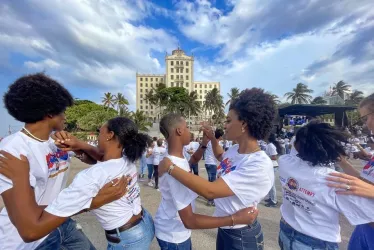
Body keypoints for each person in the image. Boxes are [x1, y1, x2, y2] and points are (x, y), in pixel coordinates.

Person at [0, 73, 126, 250]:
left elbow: (95, 159)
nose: (66, 115)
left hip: (60, 222)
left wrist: (77, 146)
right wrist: (93, 201)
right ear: (50, 112)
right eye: (63, 110)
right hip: (27, 241)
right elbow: (28, 229)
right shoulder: (13, 150)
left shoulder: (54, 142)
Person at [0, 117, 155, 249]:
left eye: (99, 132)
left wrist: (92, 202)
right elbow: (100, 157)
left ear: (109, 135)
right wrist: (79, 144)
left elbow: (31, 230)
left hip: (126, 237)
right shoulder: (126, 159)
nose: (66, 116)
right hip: (143, 222)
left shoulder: (90, 177)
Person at [158, 88, 276, 250]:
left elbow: (210, 191)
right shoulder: (235, 150)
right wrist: (212, 140)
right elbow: (223, 157)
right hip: (228, 229)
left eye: (228, 121)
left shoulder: (259, 164)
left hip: (241, 233)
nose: (224, 125)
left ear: (243, 124)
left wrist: (170, 167)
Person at [154, 113, 258, 250]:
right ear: (179, 131)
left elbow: (191, 162)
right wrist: (235, 219)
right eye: (187, 127)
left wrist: (204, 143)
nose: (190, 131)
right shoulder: (173, 168)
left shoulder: (174, 159)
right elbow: (189, 220)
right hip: (174, 236)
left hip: (173, 229)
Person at [278, 120, 374, 250]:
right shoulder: (334, 180)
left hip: (286, 231)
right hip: (315, 242)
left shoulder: (284, 162)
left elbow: (296, 143)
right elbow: (370, 218)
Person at [324, 93, 374, 250]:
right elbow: (365, 184)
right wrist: (343, 162)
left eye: (366, 118)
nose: (366, 125)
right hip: (365, 227)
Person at [204, 128, 224, 206]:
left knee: (210, 181)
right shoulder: (217, 144)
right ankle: (210, 200)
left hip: (207, 163)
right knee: (213, 183)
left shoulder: (210, 142)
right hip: (212, 164)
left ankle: (210, 198)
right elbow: (219, 155)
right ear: (220, 137)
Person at [264, 133, 281, 208]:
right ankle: (271, 198)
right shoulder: (269, 145)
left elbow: (274, 157)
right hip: (270, 165)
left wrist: (264, 157)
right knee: (269, 183)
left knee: (271, 184)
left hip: (273, 166)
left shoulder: (271, 145)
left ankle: (274, 201)